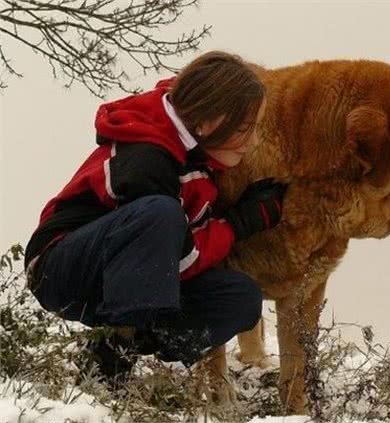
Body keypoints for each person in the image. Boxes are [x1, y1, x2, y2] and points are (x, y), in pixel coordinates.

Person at [24, 51, 286, 386]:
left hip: (125, 273)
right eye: (244, 128)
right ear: (207, 121)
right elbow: (179, 259)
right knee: (160, 213)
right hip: (60, 267)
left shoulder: (197, 148)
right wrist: (240, 222)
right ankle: (110, 371)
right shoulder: (149, 157)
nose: (251, 142)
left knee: (240, 299)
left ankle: (117, 347)